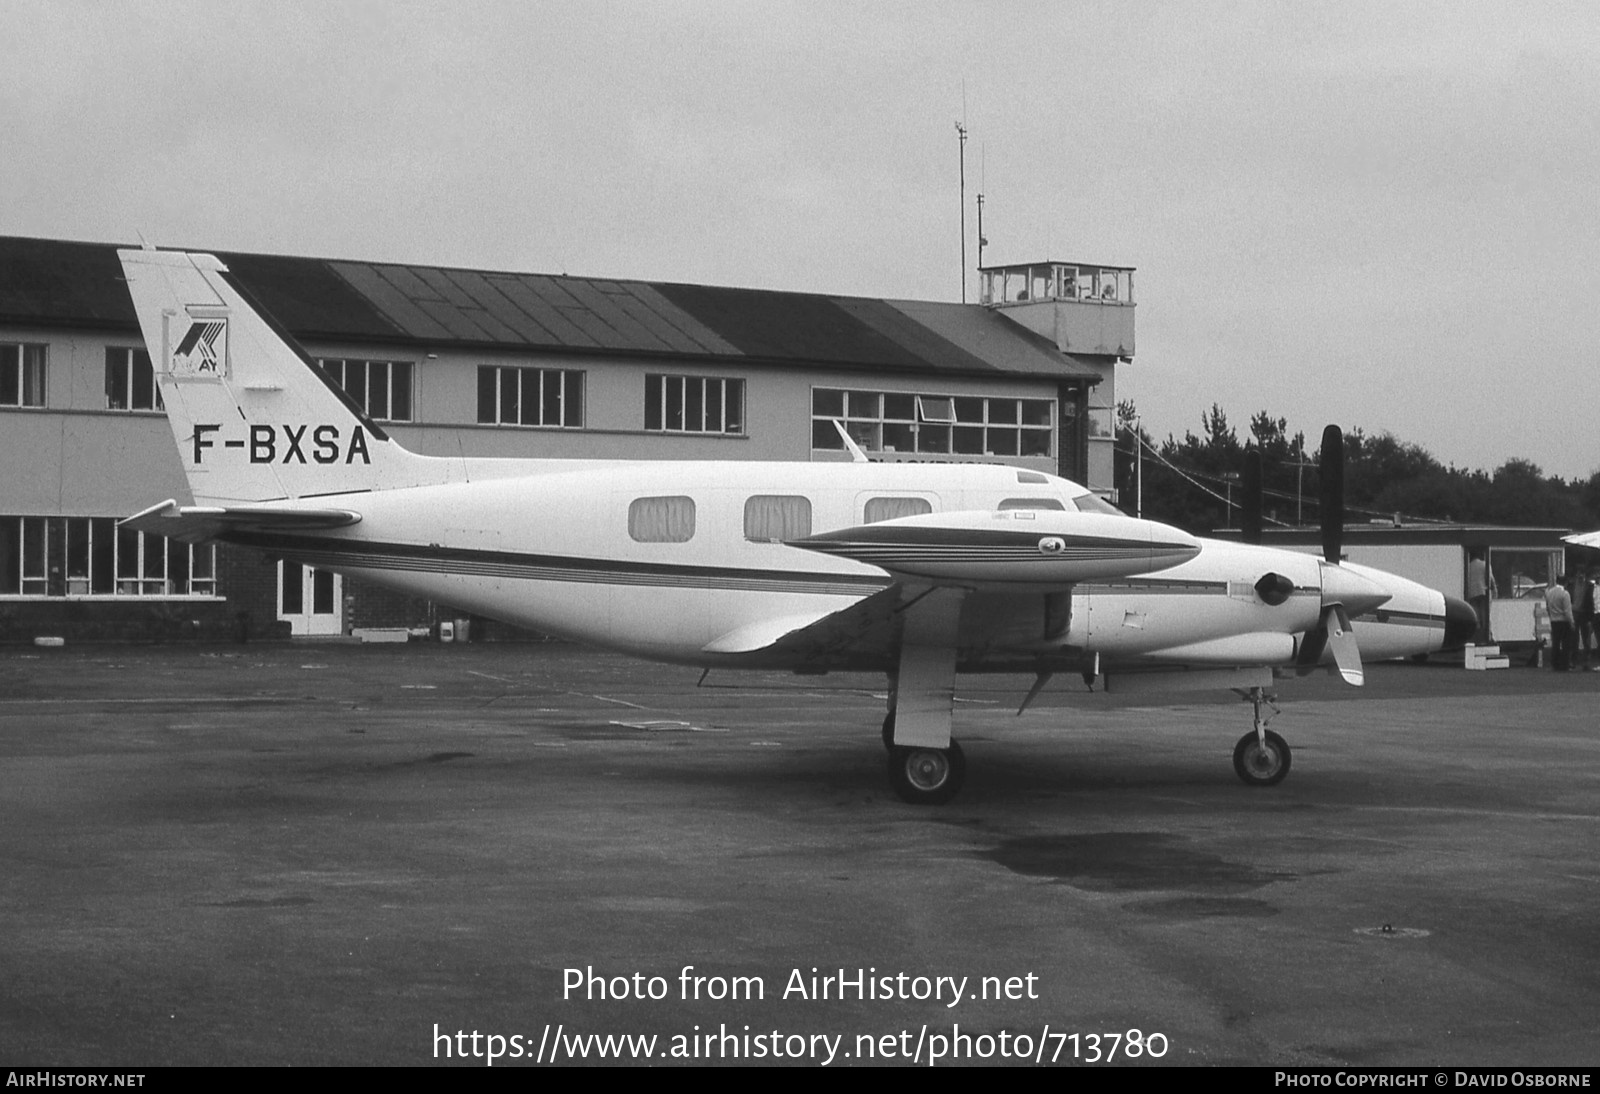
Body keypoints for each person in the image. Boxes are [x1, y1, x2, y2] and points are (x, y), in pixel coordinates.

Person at [1544, 575, 1575, 672]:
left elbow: (1548, 607)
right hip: (1564, 621)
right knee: (1566, 644)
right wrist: (1572, 622)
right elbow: (1567, 611)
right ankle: (1565, 665)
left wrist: (1551, 617)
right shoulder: (1565, 594)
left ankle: (1555, 663)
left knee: (1556, 643)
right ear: (1565, 582)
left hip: (1554, 621)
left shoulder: (1549, 593)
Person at [1465, 551, 1491, 644]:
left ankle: (1477, 631)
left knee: (1475, 612)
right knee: (1484, 612)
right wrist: (1495, 590)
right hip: (1482, 591)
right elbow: (1490, 578)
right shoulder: (1485, 564)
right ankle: (1485, 631)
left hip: (1472, 593)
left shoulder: (1468, 565)